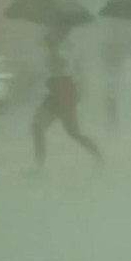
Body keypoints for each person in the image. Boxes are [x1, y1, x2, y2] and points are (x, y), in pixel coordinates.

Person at [31, 23, 102, 172]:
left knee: (73, 133)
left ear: (64, 31)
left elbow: (62, 66)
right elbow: (49, 68)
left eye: (55, 30)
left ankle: (98, 156)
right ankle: (39, 167)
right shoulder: (52, 45)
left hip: (65, 92)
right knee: (37, 127)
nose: (51, 32)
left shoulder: (69, 47)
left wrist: (53, 50)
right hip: (54, 92)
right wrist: (50, 50)